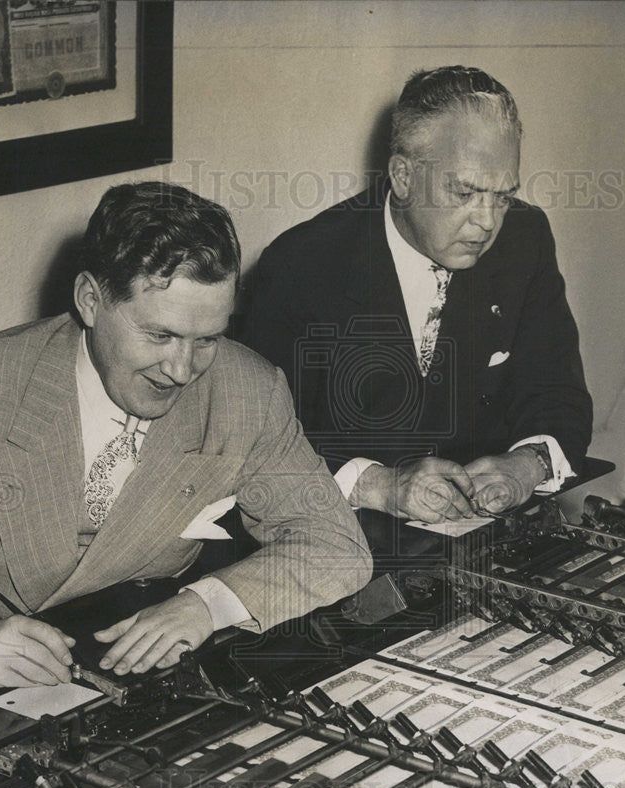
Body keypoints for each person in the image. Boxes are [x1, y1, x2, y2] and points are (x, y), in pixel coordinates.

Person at [0, 182, 372, 689]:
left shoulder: (247, 392)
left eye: (207, 339)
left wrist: (207, 604)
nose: (182, 371)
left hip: (136, 679)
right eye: (160, 336)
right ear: (90, 300)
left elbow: (335, 545)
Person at [248, 65, 592, 524]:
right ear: (404, 176)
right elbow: (252, 442)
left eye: (503, 196)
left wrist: (526, 467)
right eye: (465, 192)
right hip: (343, 537)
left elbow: (557, 392)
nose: (488, 222)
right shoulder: (301, 265)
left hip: (484, 535)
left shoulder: (524, 242)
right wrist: (378, 486)